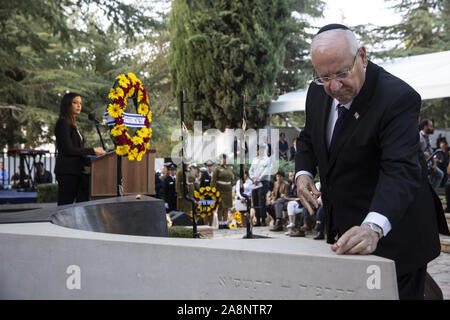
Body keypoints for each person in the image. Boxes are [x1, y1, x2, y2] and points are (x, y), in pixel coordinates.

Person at [295, 24, 449, 300]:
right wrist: (303, 173)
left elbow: (401, 170)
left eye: (342, 73)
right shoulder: (317, 91)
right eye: (324, 77)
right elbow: (308, 137)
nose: (334, 86)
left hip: (395, 231)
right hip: (343, 232)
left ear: (362, 57)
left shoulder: (397, 98)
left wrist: (373, 227)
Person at [54, 92, 105, 205]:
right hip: (67, 171)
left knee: (80, 206)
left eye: (80, 103)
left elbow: (78, 150)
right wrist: (92, 151)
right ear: (67, 104)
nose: (79, 106)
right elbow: (68, 149)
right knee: (65, 206)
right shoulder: (63, 123)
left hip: (77, 171)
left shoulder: (72, 124)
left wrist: (97, 160)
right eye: (75, 102)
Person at [249, 143, 272, 226]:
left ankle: (263, 220)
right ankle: (257, 220)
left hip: (263, 182)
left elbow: (266, 172)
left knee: (261, 201)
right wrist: (253, 178)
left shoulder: (267, 159)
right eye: (258, 150)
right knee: (255, 201)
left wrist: (258, 179)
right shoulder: (255, 159)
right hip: (255, 182)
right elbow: (250, 170)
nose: (259, 151)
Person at [211, 154, 234, 229]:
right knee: (221, 207)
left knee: (226, 207)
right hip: (220, 190)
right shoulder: (217, 168)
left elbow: (232, 178)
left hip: (228, 190)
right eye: (223, 158)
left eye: (225, 158)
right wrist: (213, 191)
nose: (224, 160)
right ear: (220, 159)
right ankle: (220, 223)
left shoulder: (230, 168)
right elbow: (213, 180)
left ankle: (225, 223)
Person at [419, 119, 443, 188]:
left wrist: (435, 164)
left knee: (440, 174)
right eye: (430, 126)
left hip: (429, 163)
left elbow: (432, 152)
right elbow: (415, 150)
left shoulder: (428, 138)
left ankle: (431, 193)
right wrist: (423, 154)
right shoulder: (418, 137)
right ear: (425, 127)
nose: (432, 128)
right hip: (421, 164)